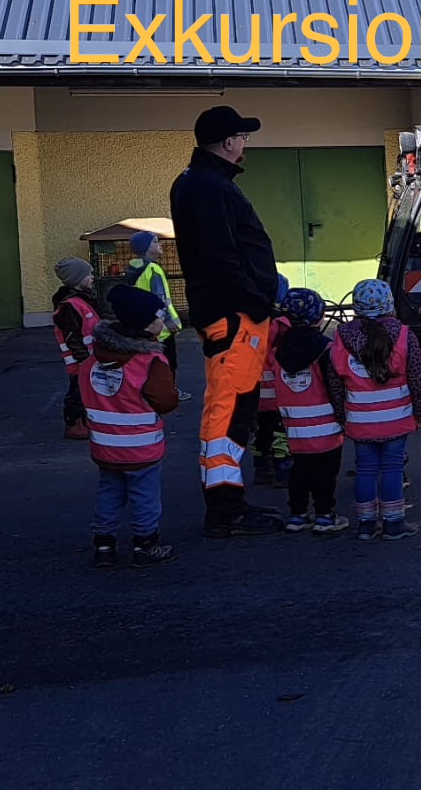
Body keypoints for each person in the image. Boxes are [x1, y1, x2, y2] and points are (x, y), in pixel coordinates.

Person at [168, 105, 283, 537]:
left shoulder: (199, 182)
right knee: (229, 412)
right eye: (243, 137)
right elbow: (221, 257)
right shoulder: (209, 187)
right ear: (229, 142)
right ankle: (224, 510)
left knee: (233, 410)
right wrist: (255, 303)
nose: (245, 144)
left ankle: (228, 503)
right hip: (234, 318)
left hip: (230, 314)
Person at [81, 286, 180, 569]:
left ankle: (104, 545)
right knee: (145, 495)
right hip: (141, 447)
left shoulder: (94, 358)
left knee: (109, 492)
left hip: (104, 445)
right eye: (159, 316)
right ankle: (145, 544)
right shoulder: (150, 362)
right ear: (147, 324)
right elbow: (165, 402)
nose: (162, 320)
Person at [332, 280, 421, 541]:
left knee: (365, 469)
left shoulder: (342, 337)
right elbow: (419, 376)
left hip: (359, 417)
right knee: (392, 468)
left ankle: (366, 525)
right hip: (396, 416)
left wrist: (341, 416)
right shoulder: (403, 335)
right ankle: (393, 523)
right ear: (389, 304)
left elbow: (335, 382)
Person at [269, 289, 352, 535]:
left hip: (293, 425)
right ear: (318, 315)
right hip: (326, 424)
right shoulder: (325, 348)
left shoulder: (278, 349)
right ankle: (325, 515)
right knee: (325, 473)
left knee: (299, 470)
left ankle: (297, 515)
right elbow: (335, 384)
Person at [121, 230, 189, 400]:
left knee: (147, 362)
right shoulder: (153, 269)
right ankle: (168, 393)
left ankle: (147, 391)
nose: (160, 244)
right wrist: (170, 322)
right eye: (155, 241)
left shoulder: (133, 269)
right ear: (145, 247)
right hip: (161, 329)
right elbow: (160, 300)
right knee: (168, 362)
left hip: (145, 326)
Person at [51, 257, 101, 440]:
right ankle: (74, 423)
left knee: (85, 391)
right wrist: (84, 358)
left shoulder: (80, 301)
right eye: (89, 274)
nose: (92, 277)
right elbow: (73, 337)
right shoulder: (71, 306)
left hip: (87, 358)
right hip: (80, 361)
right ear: (77, 279)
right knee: (77, 393)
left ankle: (83, 421)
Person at [251, 274, 293, 488]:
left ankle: (261, 468)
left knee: (261, 432)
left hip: (254, 391)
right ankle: (282, 470)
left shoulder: (249, 322)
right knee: (280, 432)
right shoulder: (282, 324)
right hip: (277, 392)